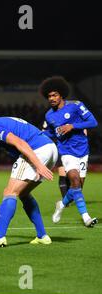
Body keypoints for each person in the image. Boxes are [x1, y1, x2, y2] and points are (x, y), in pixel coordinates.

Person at [0, 104, 57, 248]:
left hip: (37, 150)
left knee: (9, 192)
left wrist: (38, 164)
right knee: (24, 194)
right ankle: (42, 236)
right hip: (49, 148)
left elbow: (20, 142)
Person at [40, 76, 98, 227]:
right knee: (74, 180)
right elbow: (52, 133)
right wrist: (39, 134)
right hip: (66, 151)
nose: (51, 98)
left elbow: (93, 122)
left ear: (61, 95)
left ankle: (61, 205)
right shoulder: (49, 115)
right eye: (49, 96)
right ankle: (86, 218)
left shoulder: (76, 105)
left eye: (54, 95)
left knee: (76, 188)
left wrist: (73, 126)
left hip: (83, 150)